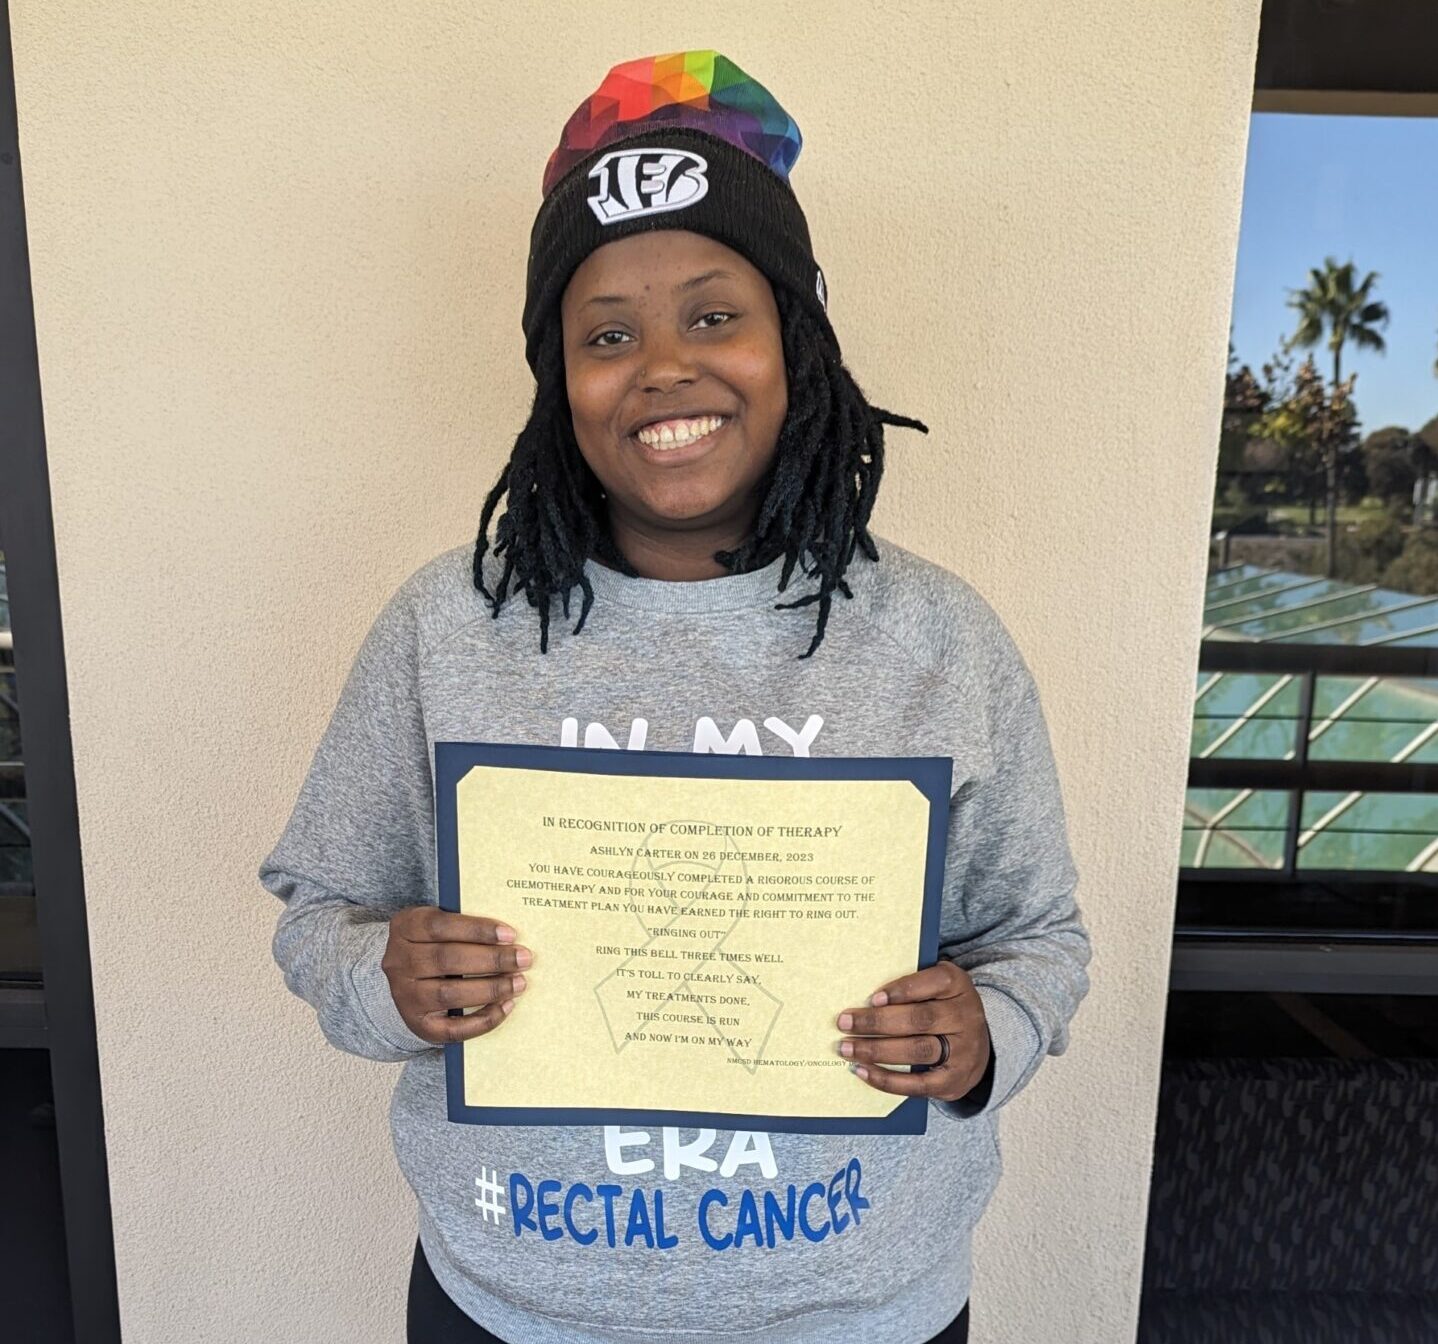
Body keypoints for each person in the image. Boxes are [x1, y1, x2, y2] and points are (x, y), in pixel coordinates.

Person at [259, 49, 1091, 1344]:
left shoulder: (939, 641)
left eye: (713, 316)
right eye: (606, 334)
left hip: (859, 1315)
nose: (660, 366)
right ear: (559, 380)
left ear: (795, 340)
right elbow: (322, 909)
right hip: (511, 1309)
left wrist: (987, 1030)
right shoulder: (446, 626)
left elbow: (1038, 937)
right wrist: (387, 978)